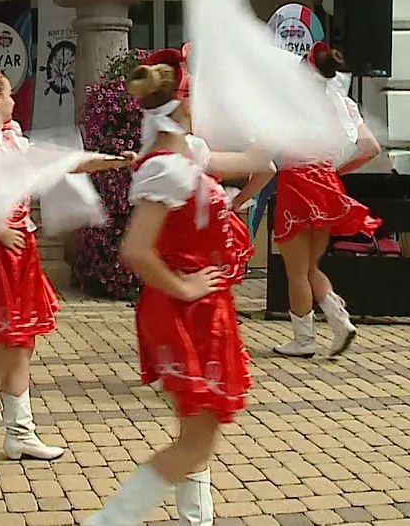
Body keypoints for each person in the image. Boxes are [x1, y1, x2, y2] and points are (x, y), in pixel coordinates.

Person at [84, 49, 273, 526]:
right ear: (185, 104)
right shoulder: (165, 166)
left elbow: (263, 163)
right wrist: (185, 288)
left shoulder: (193, 153)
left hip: (208, 308)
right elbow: (136, 250)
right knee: (197, 438)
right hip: (180, 309)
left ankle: (195, 520)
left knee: (199, 433)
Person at [0, 57, 127, 468]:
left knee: (22, 346)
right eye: (3, 91)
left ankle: (20, 434)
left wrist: (109, 161)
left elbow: (61, 161)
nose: (11, 98)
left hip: (21, 252)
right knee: (6, 350)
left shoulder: (13, 143)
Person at [272, 42, 381, 358]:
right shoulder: (342, 105)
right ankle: (339, 320)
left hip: (295, 186)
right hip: (325, 186)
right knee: (310, 267)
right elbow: (371, 146)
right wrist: (334, 170)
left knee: (296, 272)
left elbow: (265, 151)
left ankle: (304, 341)